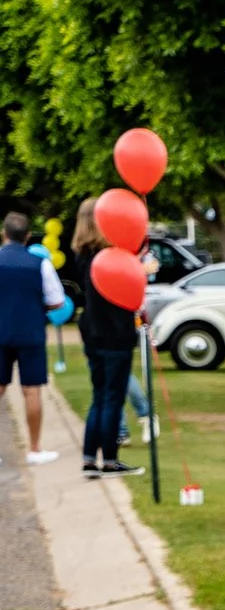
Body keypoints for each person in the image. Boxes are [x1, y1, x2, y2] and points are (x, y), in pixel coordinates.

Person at [63, 198, 141, 476]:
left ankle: (88, 456)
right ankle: (109, 459)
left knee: (99, 395)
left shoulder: (81, 254)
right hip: (114, 332)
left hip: (92, 331)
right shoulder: (108, 255)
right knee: (112, 397)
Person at [0, 210, 67, 464]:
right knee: (32, 391)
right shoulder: (41, 264)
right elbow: (57, 301)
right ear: (28, 236)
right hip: (30, 332)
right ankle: (35, 449)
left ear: (4, 234)